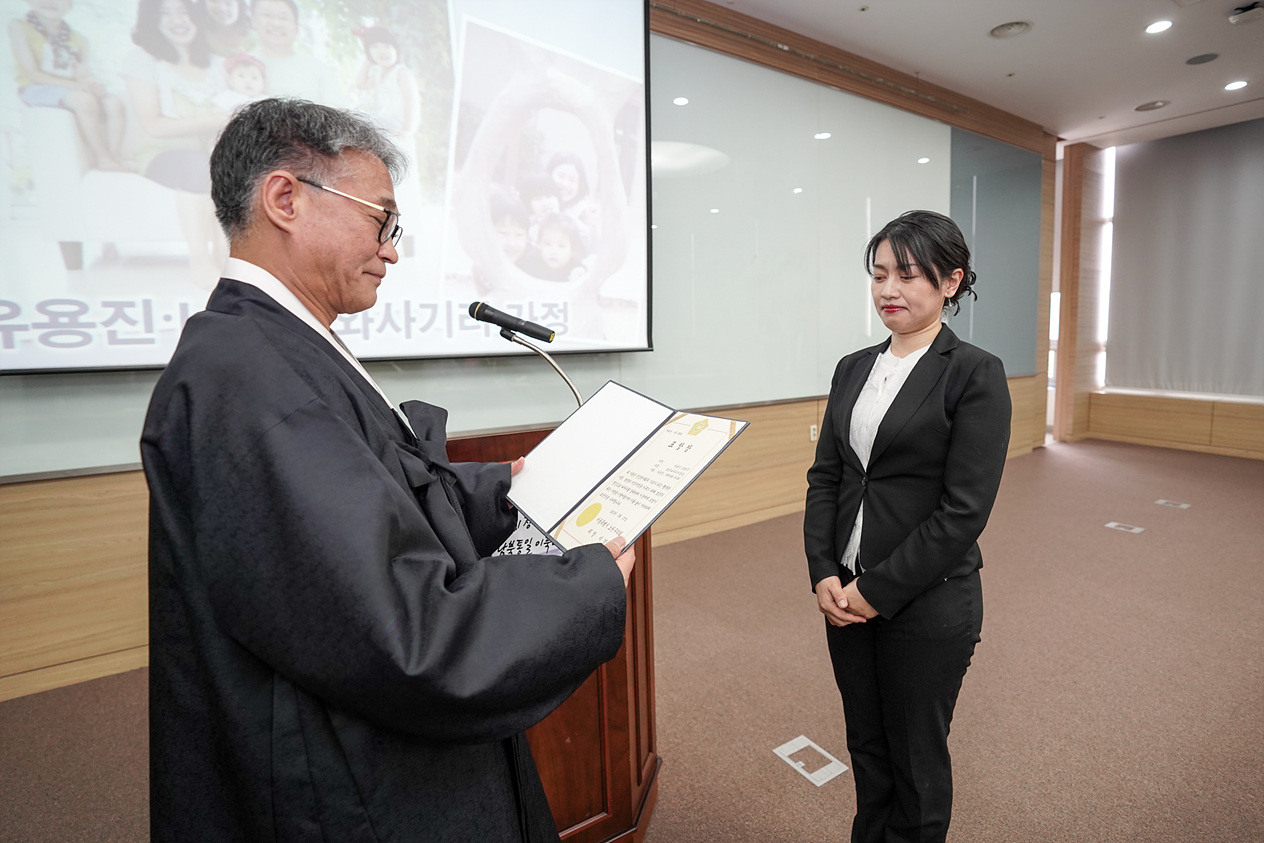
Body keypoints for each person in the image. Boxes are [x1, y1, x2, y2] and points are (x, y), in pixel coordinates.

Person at [140, 98, 634, 842]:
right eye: (383, 220)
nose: (393, 250)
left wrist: (507, 485)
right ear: (286, 199)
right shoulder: (245, 378)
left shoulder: (280, 345)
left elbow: (380, 495)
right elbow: (407, 633)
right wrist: (592, 585)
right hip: (341, 786)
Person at [803, 210, 1011, 843]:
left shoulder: (974, 372)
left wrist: (875, 591)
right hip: (846, 595)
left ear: (951, 282)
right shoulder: (852, 367)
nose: (888, 290)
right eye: (879, 274)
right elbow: (827, 478)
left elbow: (963, 512)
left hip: (927, 602)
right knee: (867, 750)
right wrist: (825, 575)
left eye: (909, 275)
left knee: (916, 763)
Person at [122, 0, 228, 282]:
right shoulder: (143, 60)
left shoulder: (216, 64)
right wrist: (215, 120)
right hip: (161, 153)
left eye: (182, 11)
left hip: (209, 152)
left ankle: (224, 257)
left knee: (235, 170)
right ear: (152, 21)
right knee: (199, 168)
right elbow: (154, 126)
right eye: (164, 14)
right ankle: (200, 261)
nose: (176, 20)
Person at [8, 0, 127, 171]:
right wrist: (76, 86)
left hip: (70, 88)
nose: (50, 2)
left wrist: (92, 85)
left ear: (70, 4)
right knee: (84, 100)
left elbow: (82, 74)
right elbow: (32, 74)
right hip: (35, 88)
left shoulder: (78, 39)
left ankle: (114, 158)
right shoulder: (19, 27)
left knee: (114, 103)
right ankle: (102, 157)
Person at [250, 0, 343, 104]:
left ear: (297, 26)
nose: (276, 23)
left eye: (283, 17)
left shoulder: (317, 68)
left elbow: (339, 110)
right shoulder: (238, 64)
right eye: (267, 15)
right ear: (253, 20)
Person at [352, 24, 420, 139]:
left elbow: (410, 100)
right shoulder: (379, 74)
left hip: (399, 125)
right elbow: (360, 84)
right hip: (386, 123)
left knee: (360, 122)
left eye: (387, 46)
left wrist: (407, 129)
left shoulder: (400, 72)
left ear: (396, 49)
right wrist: (368, 59)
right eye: (375, 47)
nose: (382, 51)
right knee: (355, 119)